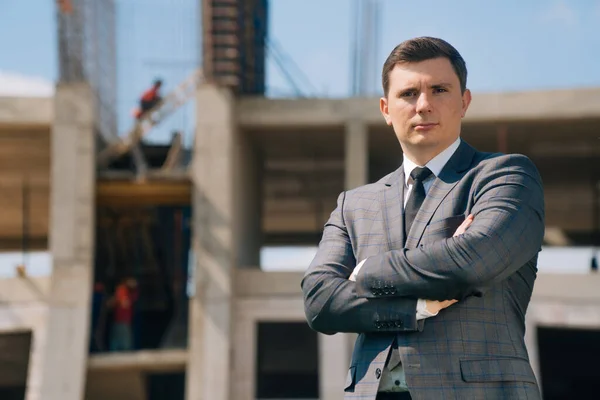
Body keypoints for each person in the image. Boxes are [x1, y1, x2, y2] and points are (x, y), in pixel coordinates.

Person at [301, 37, 545, 400]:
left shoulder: (505, 176)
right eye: (409, 93)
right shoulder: (353, 204)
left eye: (439, 89)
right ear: (386, 108)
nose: (424, 105)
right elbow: (320, 301)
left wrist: (367, 271)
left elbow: (473, 262)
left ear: (464, 101)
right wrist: (414, 307)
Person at [109, 276, 139, 352]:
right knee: (123, 342)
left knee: (123, 339)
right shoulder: (122, 289)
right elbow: (124, 303)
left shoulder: (131, 291)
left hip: (125, 320)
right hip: (121, 320)